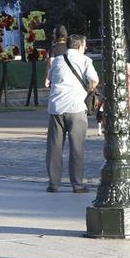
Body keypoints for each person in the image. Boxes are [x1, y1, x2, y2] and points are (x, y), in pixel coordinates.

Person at [45, 32, 98, 193]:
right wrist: (86, 91)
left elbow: (50, 81)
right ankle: (77, 184)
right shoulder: (85, 60)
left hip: (56, 108)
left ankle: (53, 183)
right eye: (85, 45)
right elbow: (94, 80)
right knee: (76, 148)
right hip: (76, 108)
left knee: (54, 147)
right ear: (80, 46)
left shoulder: (57, 60)